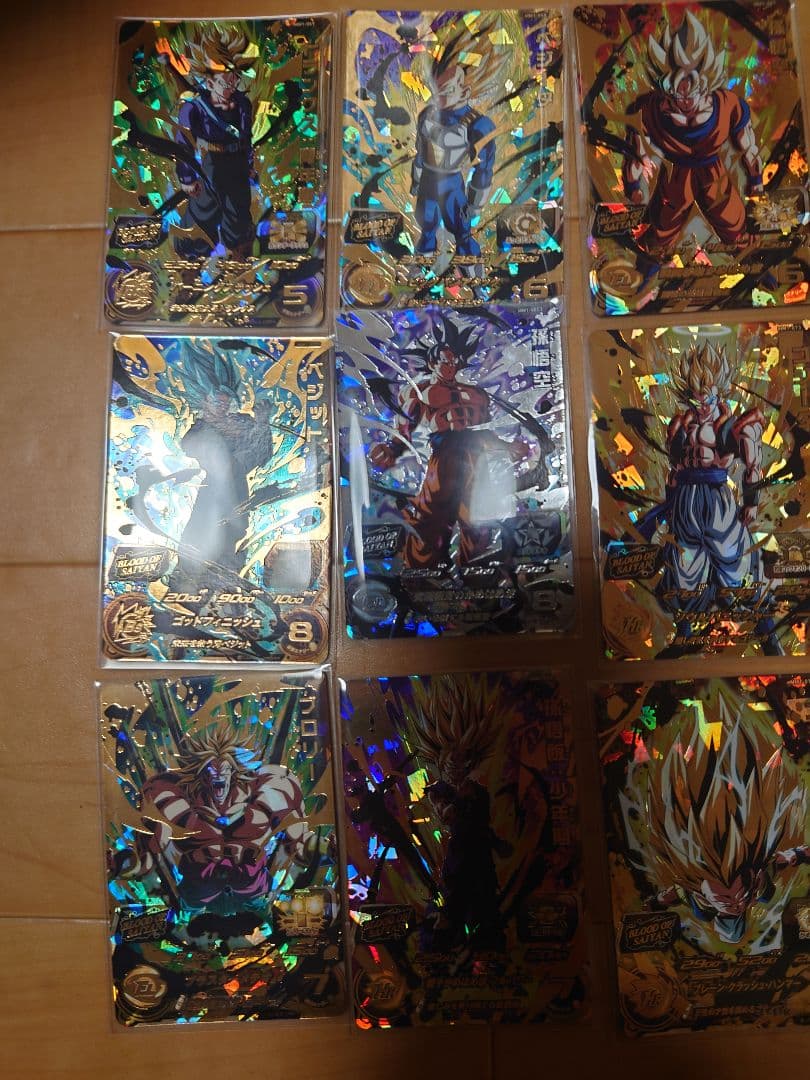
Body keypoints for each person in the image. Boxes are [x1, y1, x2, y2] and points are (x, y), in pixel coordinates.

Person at [623, 713, 809, 945]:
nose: (734, 904)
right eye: (735, 907)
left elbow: (668, 896)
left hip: (709, 822)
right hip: (733, 815)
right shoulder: (757, 884)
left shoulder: (697, 892)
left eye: (728, 907)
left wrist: (652, 904)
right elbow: (787, 858)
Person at [369, 315, 530, 569]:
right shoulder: (420, 392)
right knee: (430, 518)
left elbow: (483, 432)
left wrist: (507, 447)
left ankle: (476, 571)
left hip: (475, 456)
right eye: (445, 361)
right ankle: (421, 573)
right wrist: (392, 449)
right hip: (445, 456)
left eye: (454, 361)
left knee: (477, 518)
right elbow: (404, 425)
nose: (451, 366)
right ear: (432, 363)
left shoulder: (475, 394)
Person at [113, 727, 320, 914]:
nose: (218, 773)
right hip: (196, 895)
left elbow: (297, 841)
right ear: (202, 775)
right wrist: (129, 865)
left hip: (253, 889)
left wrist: (316, 848)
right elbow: (151, 849)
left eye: (225, 769)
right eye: (211, 770)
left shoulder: (267, 793)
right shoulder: (174, 801)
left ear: (234, 772)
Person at [621, 10, 763, 253]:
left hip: (714, 176)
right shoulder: (650, 110)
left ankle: (753, 262)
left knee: (735, 225)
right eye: (677, 93)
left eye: (692, 89)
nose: (686, 99)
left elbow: (748, 147)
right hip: (676, 178)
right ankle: (647, 266)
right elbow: (636, 154)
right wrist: (633, 187)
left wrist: (756, 181)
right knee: (660, 232)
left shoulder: (727, 105)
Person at [638, 341, 763, 614]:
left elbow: (753, 464)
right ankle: (686, 625)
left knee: (732, 558)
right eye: (696, 400)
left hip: (717, 496)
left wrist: (751, 502)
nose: (703, 406)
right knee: (685, 564)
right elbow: (675, 469)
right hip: (686, 500)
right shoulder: (681, 425)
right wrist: (670, 503)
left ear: (719, 393)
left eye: (708, 399)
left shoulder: (730, 425)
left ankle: (756, 617)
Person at [172, 26, 256, 259]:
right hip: (210, 164)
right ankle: (192, 259)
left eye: (234, 78)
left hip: (237, 163)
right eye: (226, 80)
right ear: (209, 83)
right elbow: (183, 144)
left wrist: (249, 164)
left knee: (238, 214)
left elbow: (246, 137)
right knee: (204, 211)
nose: (232, 83)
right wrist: (187, 178)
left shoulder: (242, 104)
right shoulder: (193, 108)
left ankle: (238, 258)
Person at [410, 60, 495, 263]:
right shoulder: (427, 115)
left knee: (463, 234)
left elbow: (484, 167)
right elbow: (421, 151)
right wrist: (416, 179)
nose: (438, 97)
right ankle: (420, 271)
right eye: (435, 90)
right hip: (428, 183)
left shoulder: (478, 124)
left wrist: (476, 202)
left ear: (464, 92)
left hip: (452, 185)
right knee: (427, 229)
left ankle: (473, 276)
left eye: (446, 90)